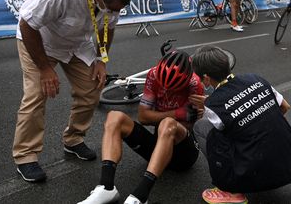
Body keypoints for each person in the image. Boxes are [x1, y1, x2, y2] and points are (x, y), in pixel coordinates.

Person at [12, 0, 131, 182]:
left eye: (118, 11)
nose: (114, 14)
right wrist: (45, 69)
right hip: (39, 41)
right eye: (112, 10)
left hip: (76, 43)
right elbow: (27, 25)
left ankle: (74, 139)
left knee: (92, 87)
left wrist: (101, 60)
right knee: (36, 94)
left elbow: (108, 28)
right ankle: (25, 156)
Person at [191, 45, 291, 204]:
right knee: (266, 121)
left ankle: (230, 190)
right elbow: (285, 107)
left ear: (206, 78)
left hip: (256, 176)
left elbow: (221, 140)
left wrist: (210, 105)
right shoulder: (256, 79)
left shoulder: (213, 104)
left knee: (201, 127)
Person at [77, 50, 204, 204]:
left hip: (183, 153)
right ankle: (106, 187)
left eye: (173, 89)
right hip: (159, 145)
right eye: (164, 87)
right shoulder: (153, 75)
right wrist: (177, 112)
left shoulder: (194, 83)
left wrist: (171, 117)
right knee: (114, 116)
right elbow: (143, 117)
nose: (167, 92)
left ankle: (141, 196)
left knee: (167, 124)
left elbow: (189, 125)